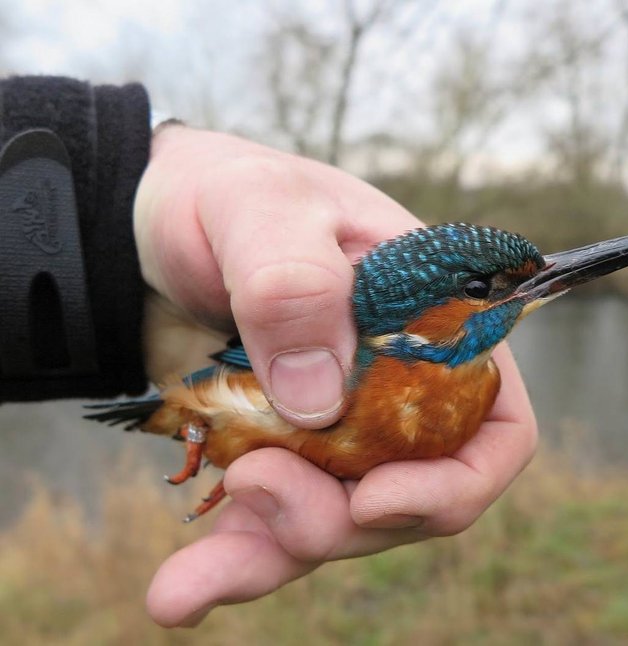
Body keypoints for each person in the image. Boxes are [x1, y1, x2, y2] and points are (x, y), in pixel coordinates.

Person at [0, 76, 537, 627]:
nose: (507, 297)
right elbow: (224, 376)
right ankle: (194, 435)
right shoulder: (370, 370)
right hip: (215, 389)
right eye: (480, 291)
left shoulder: (483, 386)